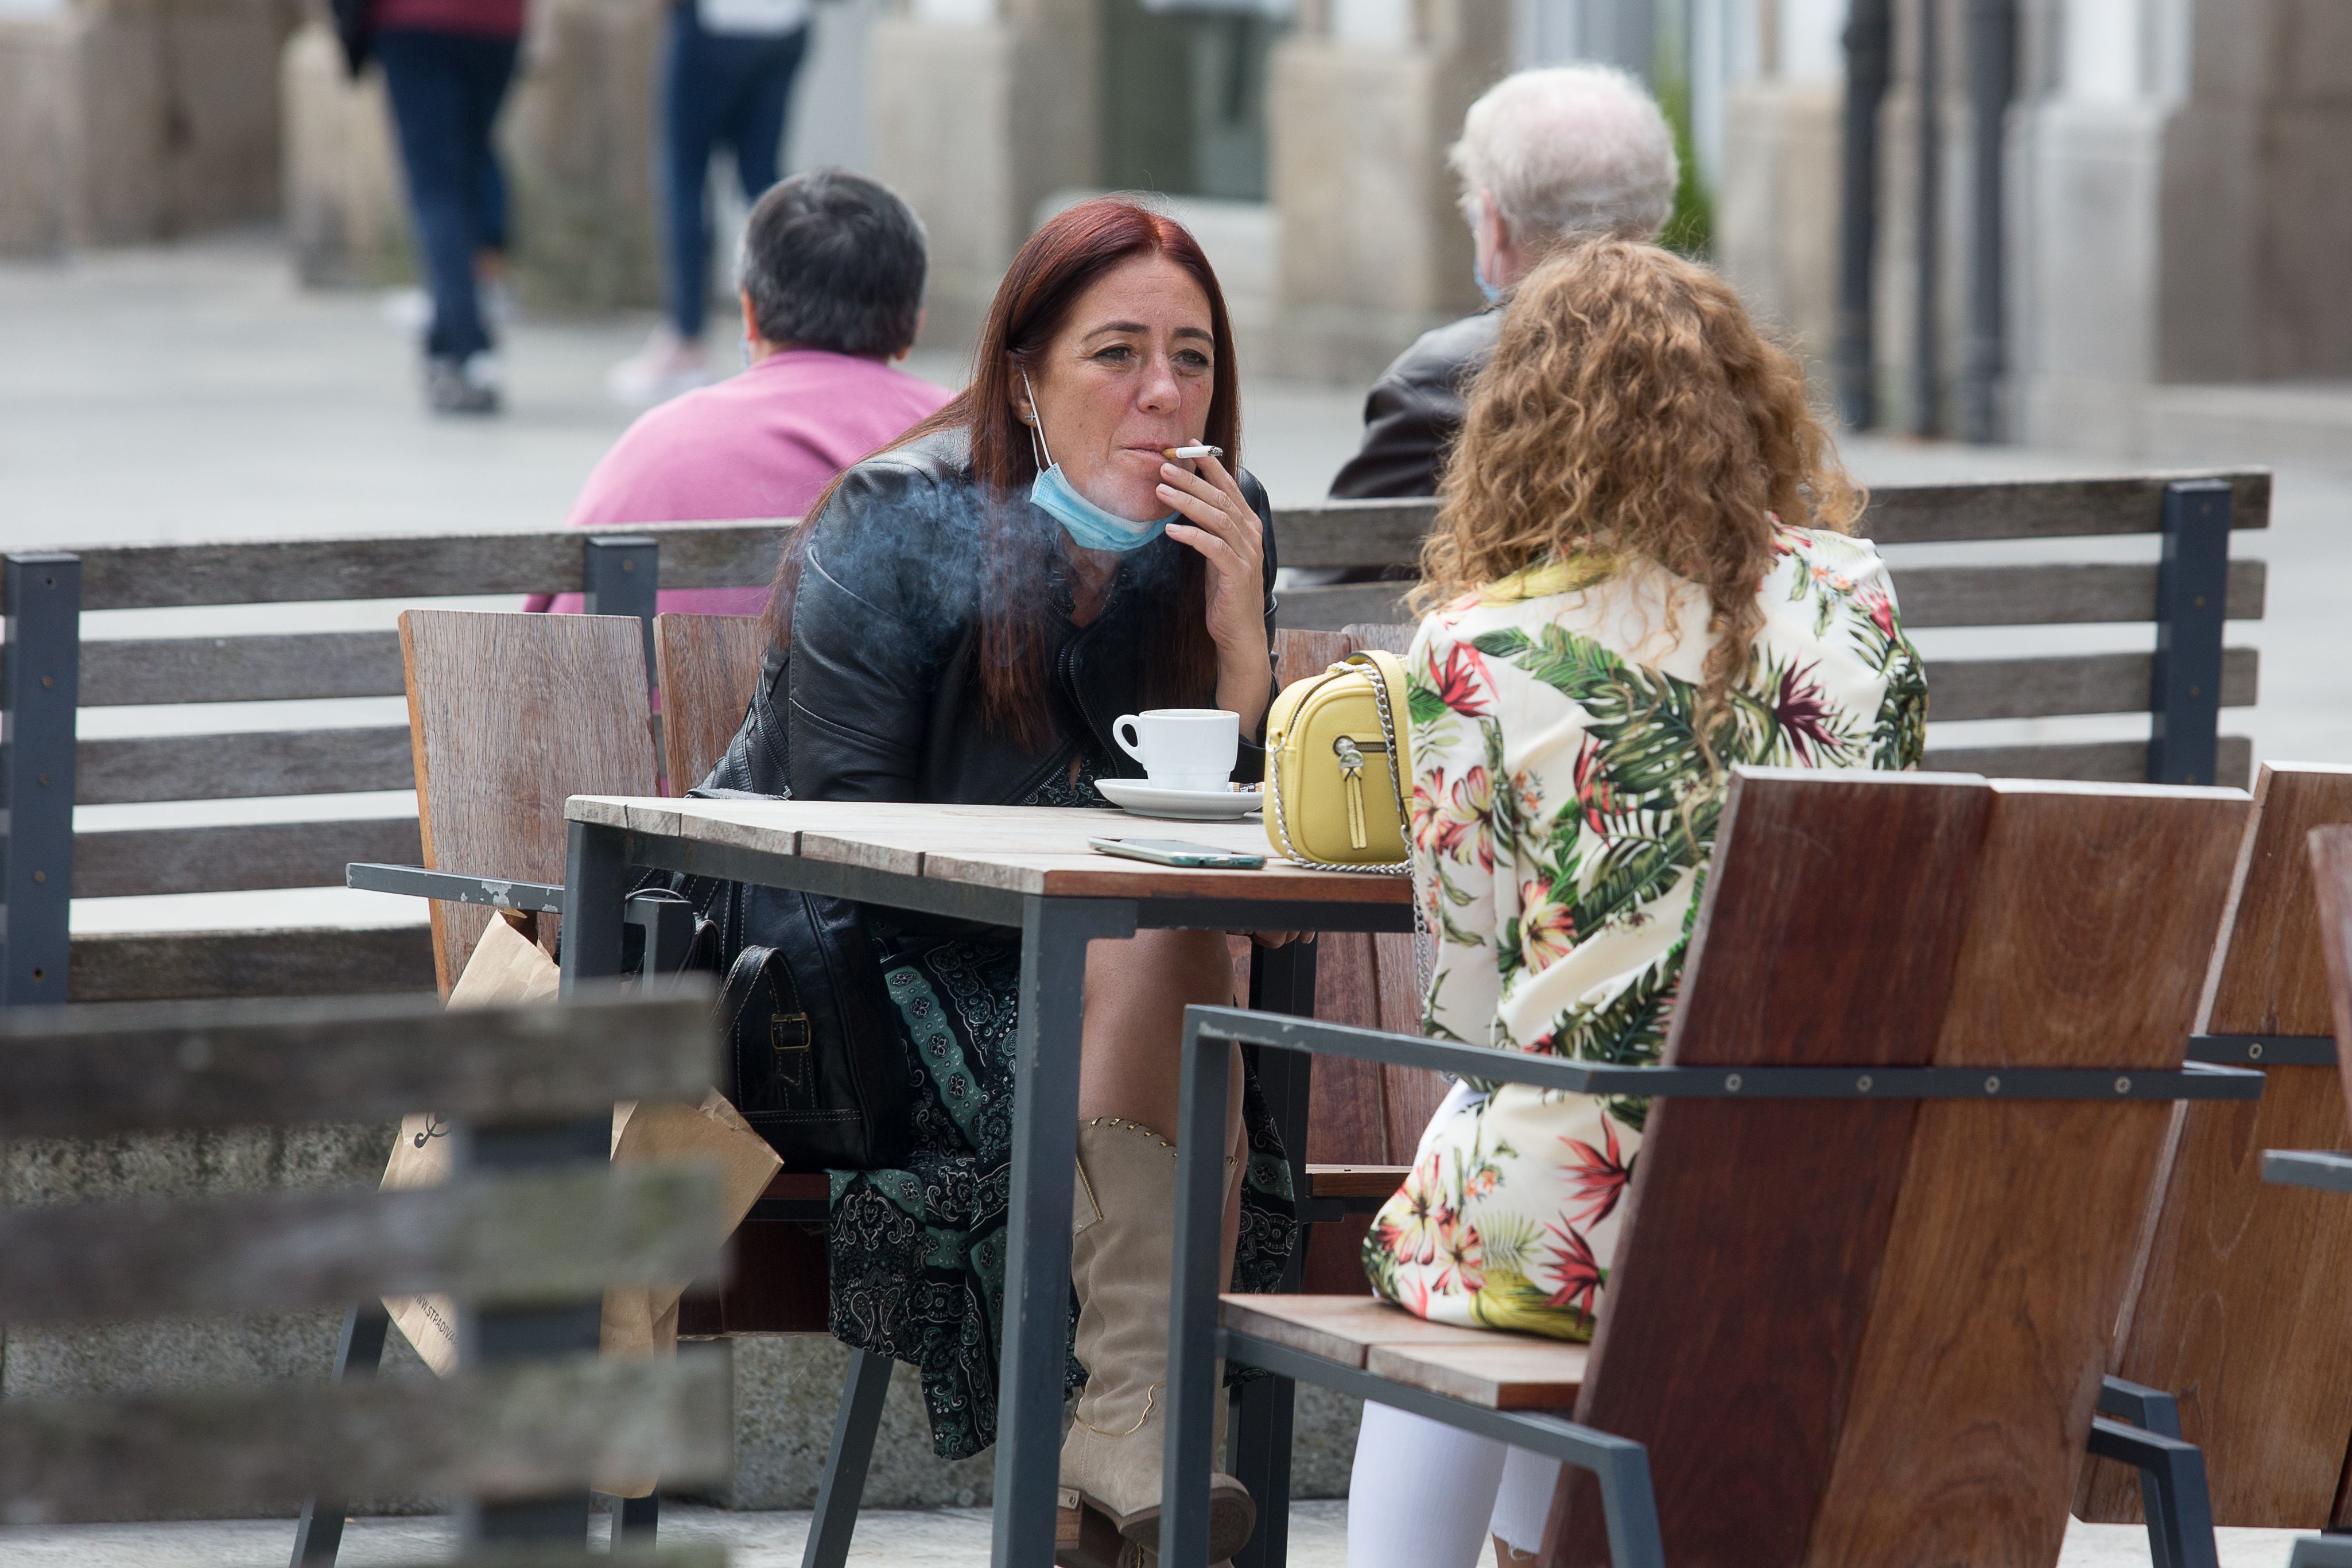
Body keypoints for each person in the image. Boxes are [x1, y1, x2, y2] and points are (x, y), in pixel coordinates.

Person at [699, 196, 1288, 1567]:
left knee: (1170, 944)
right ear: (1022, 378)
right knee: (1168, 960)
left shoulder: (1224, 536)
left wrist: (1246, 661)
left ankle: (1128, 1449)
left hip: (1122, 979)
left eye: (1193, 358)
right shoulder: (893, 520)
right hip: (863, 976)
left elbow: (1243, 831)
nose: (1162, 394)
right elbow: (836, 837)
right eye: (1116, 353)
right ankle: (1143, 1438)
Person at [1344, 239, 1930, 1568]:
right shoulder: (1859, 602)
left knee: (1471, 1171)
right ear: (1749, 406)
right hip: (1819, 1192)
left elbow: (1468, 1004)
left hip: (1583, 1221)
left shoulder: (1475, 647)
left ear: (1515, 428)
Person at [532, 170, 948, 615]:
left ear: (748, 313)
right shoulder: (973, 432)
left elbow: (554, 643)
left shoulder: (657, 446)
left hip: (673, 685)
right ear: (913, 327)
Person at [1325, 64, 1678, 506]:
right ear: (1659, 213)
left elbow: (1341, 568)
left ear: (1494, 223)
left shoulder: (1443, 378)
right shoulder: (1731, 353)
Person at [607, 0, 816, 407]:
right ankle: (800, 330)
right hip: (785, 21)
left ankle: (687, 338)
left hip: (715, 20)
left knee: (684, 178)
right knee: (763, 181)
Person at [371, 0, 527, 416]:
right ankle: (459, 325)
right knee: (474, 164)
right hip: (497, 24)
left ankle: (464, 349)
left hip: (417, 22)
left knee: (438, 187)